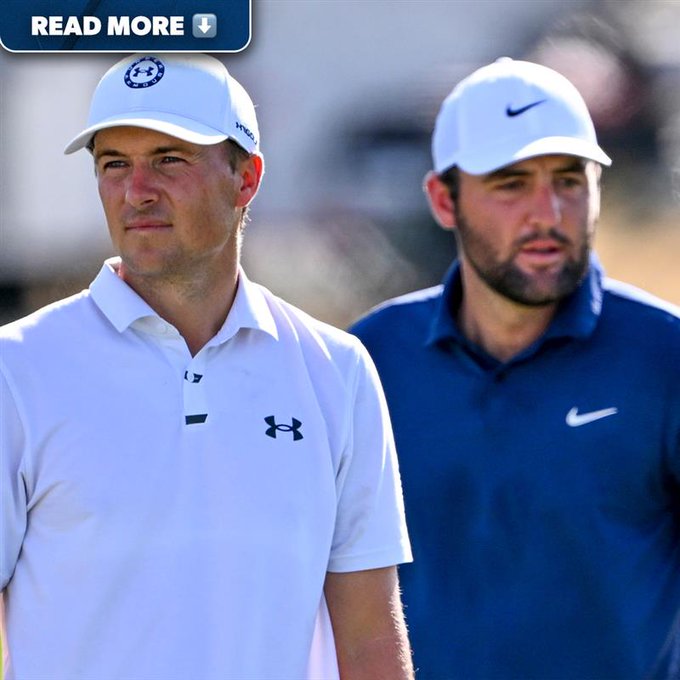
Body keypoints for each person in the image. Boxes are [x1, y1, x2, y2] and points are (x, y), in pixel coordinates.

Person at [0, 54, 414, 680]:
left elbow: (370, 640)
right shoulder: (17, 368)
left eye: (169, 159)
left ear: (246, 179)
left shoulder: (337, 370)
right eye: (114, 164)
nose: (137, 191)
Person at [351, 57, 680, 679]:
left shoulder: (665, 357)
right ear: (444, 200)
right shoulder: (368, 359)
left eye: (570, 181)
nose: (548, 213)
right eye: (511, 184)